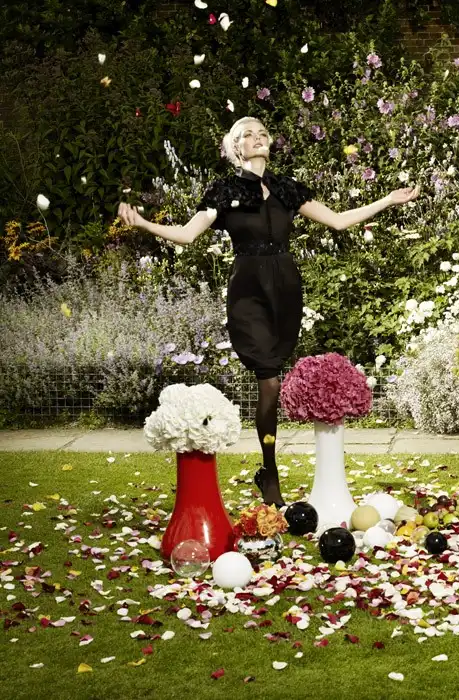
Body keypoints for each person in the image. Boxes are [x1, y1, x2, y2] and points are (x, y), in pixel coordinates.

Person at [119, 116, 419, 506]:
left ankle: (268, 471)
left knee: (273, 377)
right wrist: (143, 223)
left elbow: (338, 221)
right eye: (248, 135)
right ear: (235, 148)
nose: (257, 138)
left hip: (285, 290)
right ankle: (270, 472)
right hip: (248, 293)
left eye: (262, 133)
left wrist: (388, 200)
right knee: (270, 382)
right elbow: (187, 235)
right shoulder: (224, 192)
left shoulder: (286, 189)